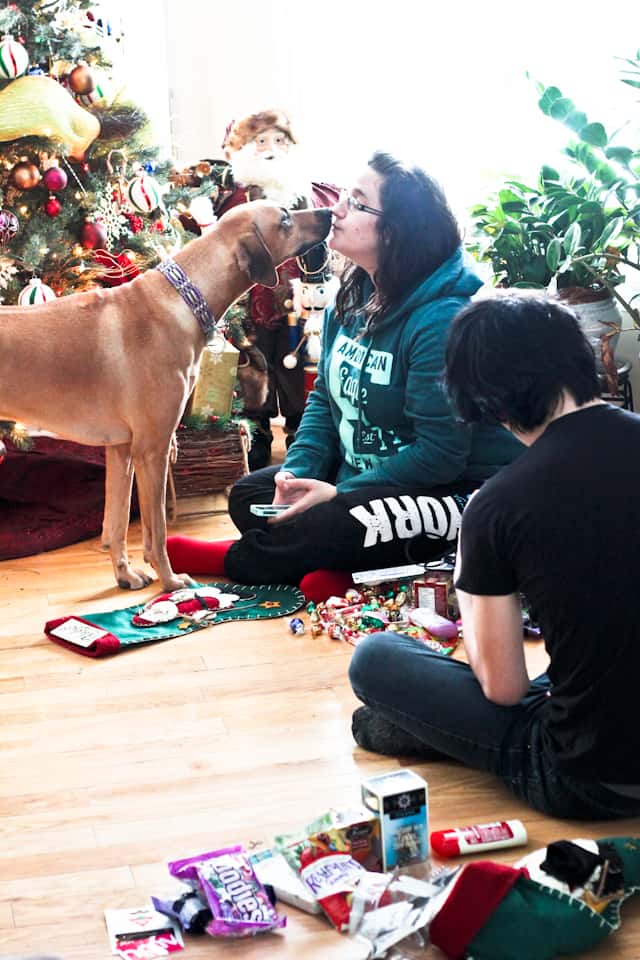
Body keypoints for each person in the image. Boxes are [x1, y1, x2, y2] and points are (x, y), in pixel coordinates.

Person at [166, 153, 522, 601]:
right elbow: (323, 404)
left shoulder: (441, 321)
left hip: (456, 491)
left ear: (394, 232)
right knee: (249, 494)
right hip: (367, 476)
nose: (337, 207)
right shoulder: (350, 297)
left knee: (337, 521)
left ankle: (237, 560)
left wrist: (337, 492)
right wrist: (295, 475)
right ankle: (349, 568)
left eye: (356, 203)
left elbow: (440, 456)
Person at [349, 294, 640, 820]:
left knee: (375, 659)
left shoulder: (497, 503)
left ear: (487, 404)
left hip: (593, 778)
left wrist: (468, 572)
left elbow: (504, 688)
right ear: (583, 359)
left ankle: (434, 731)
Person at [218, 108, 339, 468]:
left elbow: (316, 245)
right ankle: (256, 434)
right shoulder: (235, 197)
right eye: (262, 141)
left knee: (296, 370)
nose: (271, 148)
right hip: (248, 302)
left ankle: (302, 435)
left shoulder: (302, 193)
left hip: (294, 302)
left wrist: (316, 287)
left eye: (279, 140)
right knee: (253, 366)